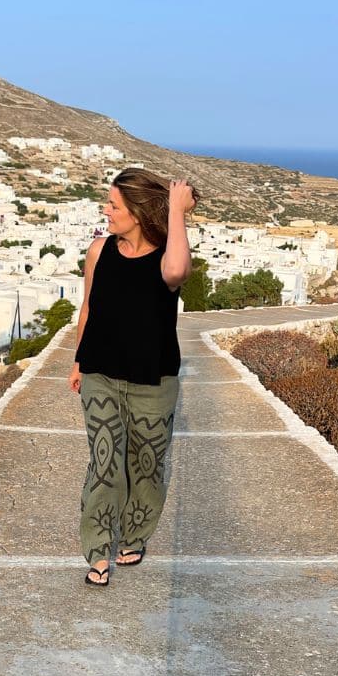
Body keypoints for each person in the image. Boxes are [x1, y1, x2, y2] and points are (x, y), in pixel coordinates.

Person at [69, 168, 197, 586]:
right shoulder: (99, 250)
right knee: (104, 460)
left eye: (114, 205)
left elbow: (178, 270)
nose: (105, 211)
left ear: (138, 213)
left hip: (152, 380)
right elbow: (89, 307)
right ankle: (97, 548)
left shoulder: (165, 258)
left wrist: (176, 211)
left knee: (145, 464)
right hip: (100, 373)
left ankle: (135, 535)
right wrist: (77, 361)